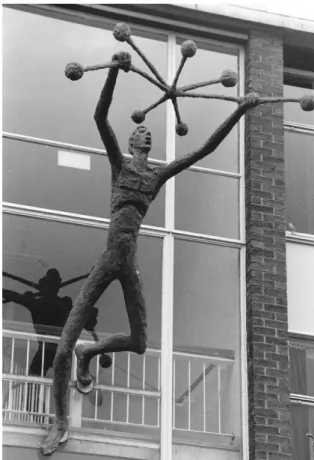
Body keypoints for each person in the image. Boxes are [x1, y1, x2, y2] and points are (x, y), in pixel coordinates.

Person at [40, 50, 263, 455]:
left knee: (140, 342)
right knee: (59, 352)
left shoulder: (157, 175)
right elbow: (99, 116)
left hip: (129, 264)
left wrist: (240, 112)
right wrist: (112, 70)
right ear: (129, 141)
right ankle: (59, 422)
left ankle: (90, 351)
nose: (146, 136)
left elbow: (204, 151)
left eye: (149, 136)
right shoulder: (119, 166)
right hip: (108, 260)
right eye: (140, 134)